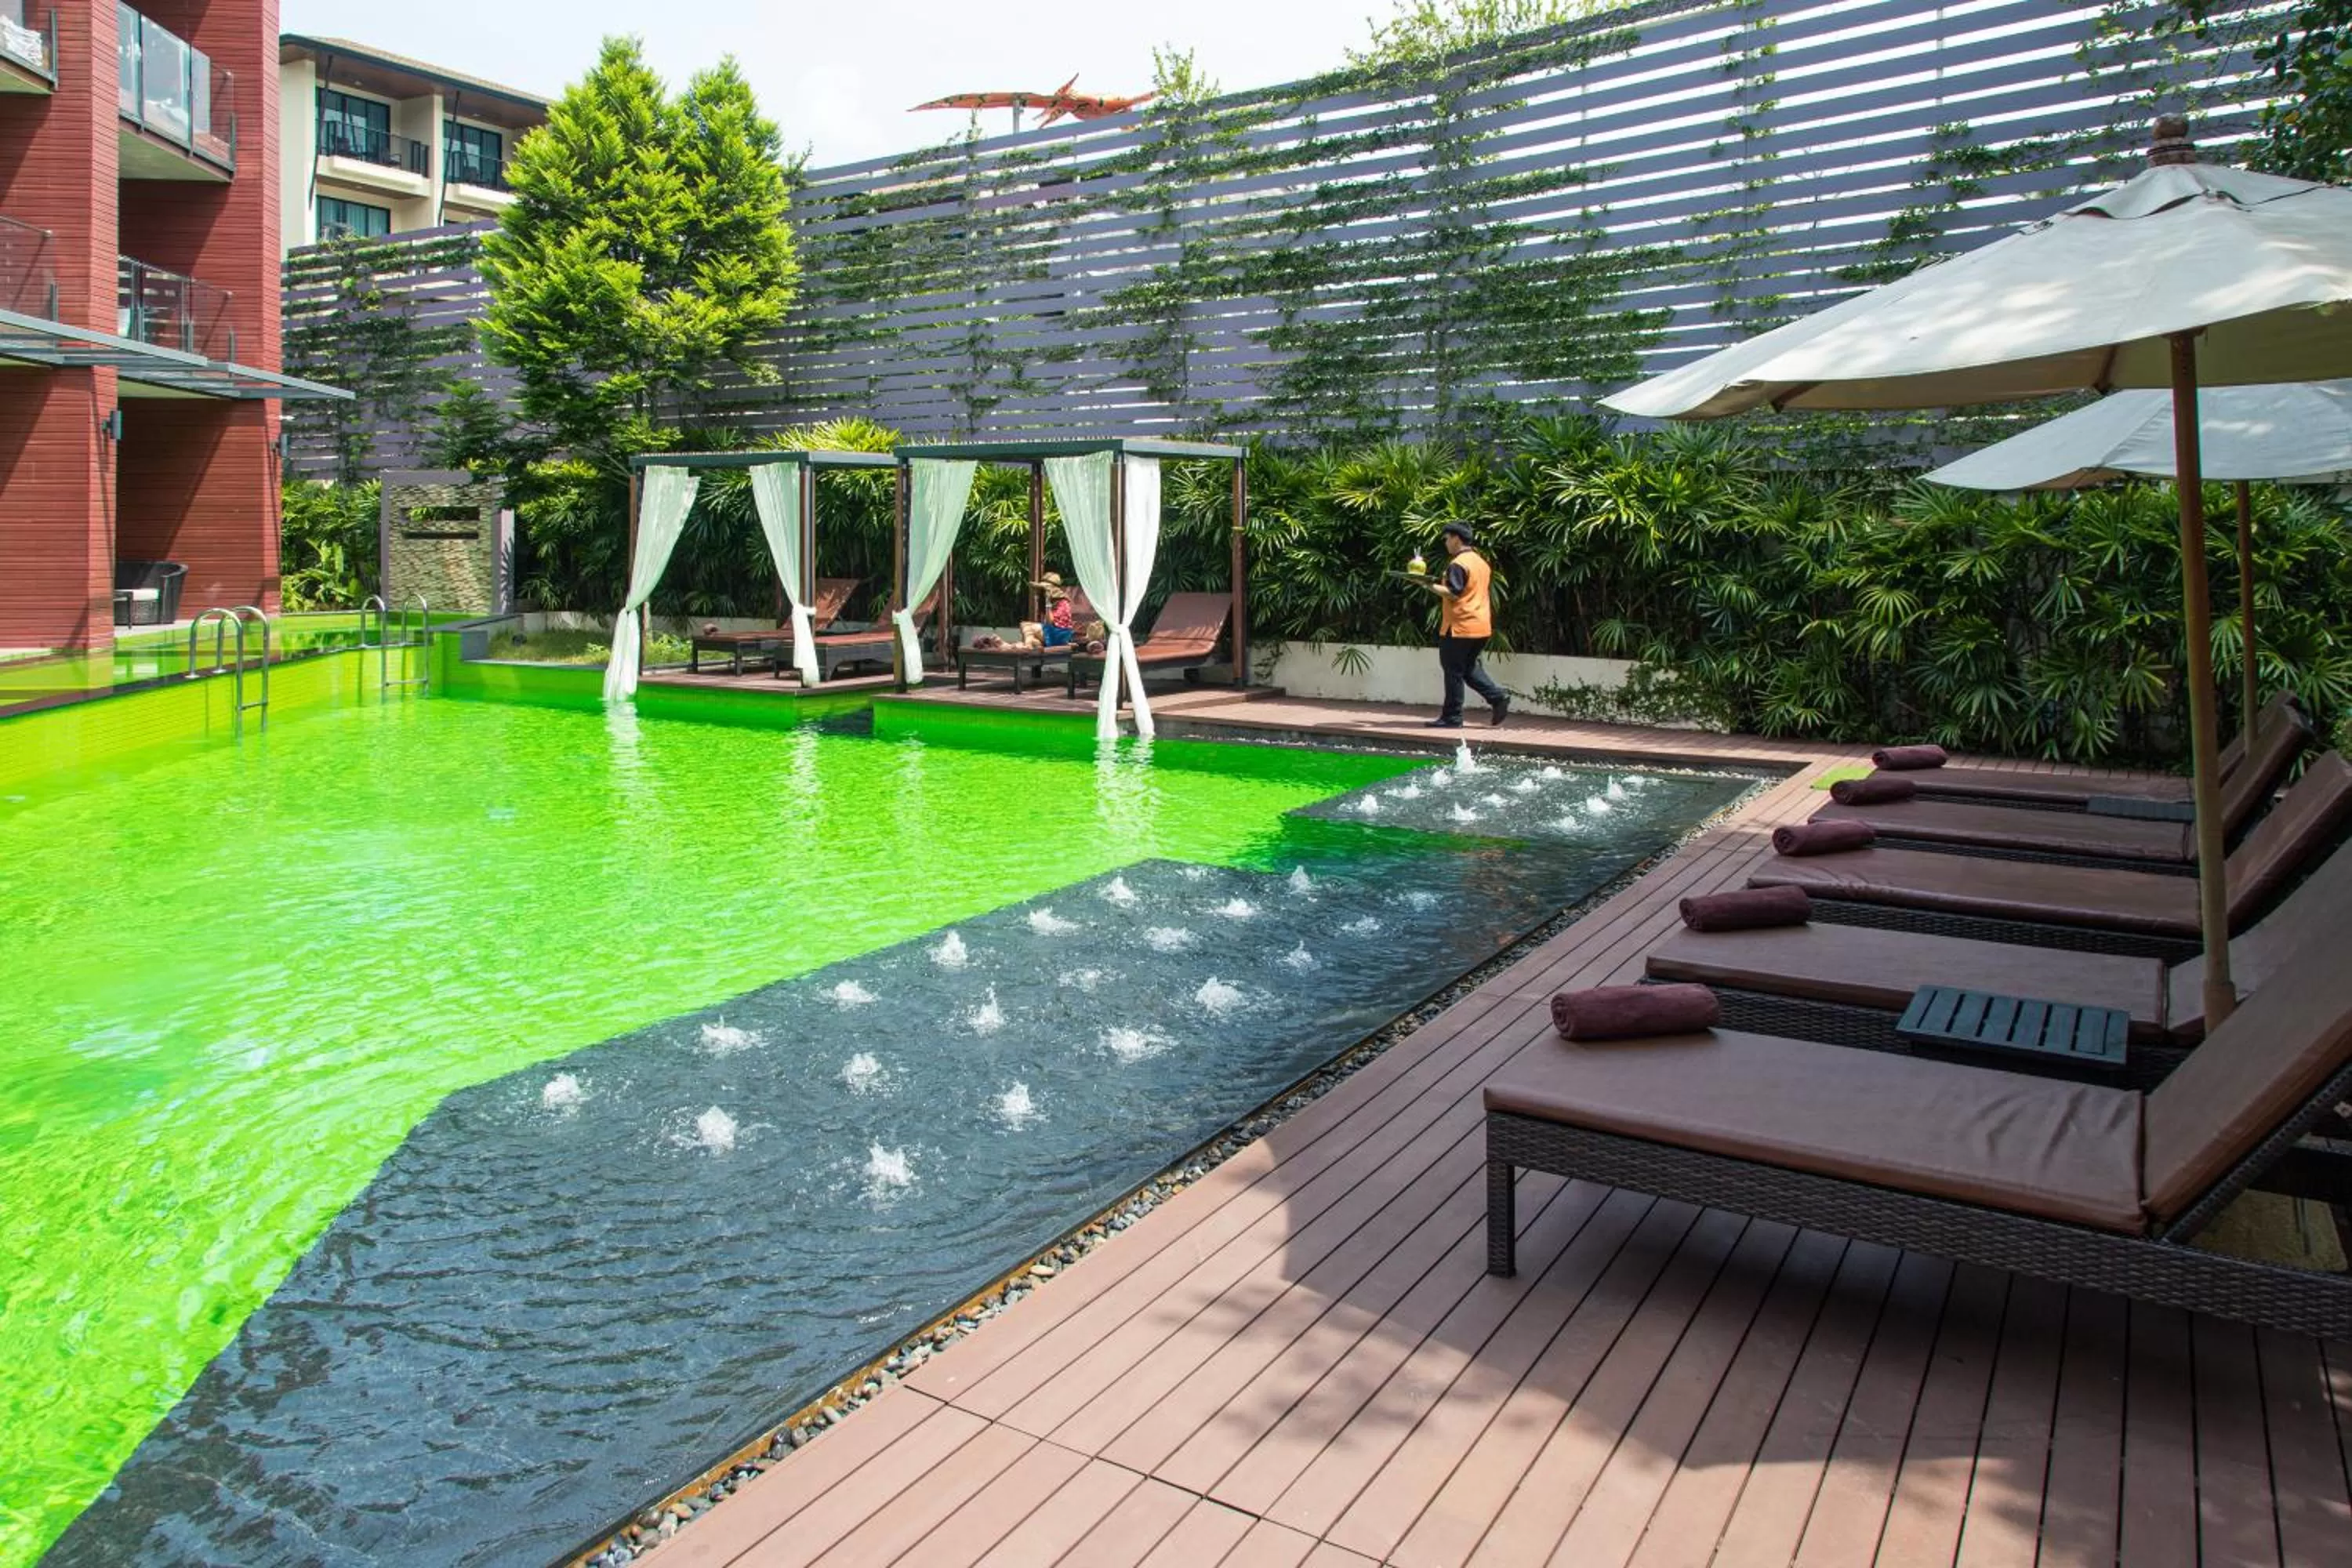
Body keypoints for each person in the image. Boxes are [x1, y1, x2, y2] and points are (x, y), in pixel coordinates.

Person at [1423, 522, 1508, 728]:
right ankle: (1498, 697)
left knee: (1453, 671)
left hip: (1459, 626)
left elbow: (1454, 592)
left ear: (1456, 539)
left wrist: (1427, 584)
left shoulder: (1459, 563)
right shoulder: (1481, 562)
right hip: (1480, 625)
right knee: (1468, 669)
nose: (1445, 543)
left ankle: (1452, 717)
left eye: (1446, 538)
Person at [1033, 572, 1077, 648]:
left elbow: (1050, 621)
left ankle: (1061, 644)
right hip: (1054, 632)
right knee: (1032, 640)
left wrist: (1048, 603)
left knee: (1028, 628)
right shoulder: (1056, 601)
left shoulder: (1062, 602)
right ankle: (1028, 647)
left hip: (1058, 633)